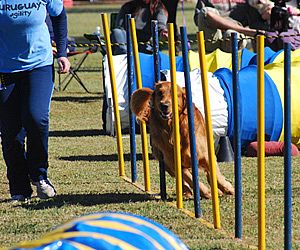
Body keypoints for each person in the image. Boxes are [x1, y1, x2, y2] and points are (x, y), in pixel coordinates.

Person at [0, 0, 70, 202]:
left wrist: (63, 53)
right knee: (11, 131)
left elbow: (59, 15)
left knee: (36, 117)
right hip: (5, 69)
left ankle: (40, 176)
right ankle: (19, 189)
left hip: (39, 64)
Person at [194, 0, 269, 52]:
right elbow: (199, 18)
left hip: (234, 35)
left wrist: (265, 8)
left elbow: (258, 18)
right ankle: (246, 32)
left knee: (231, 34)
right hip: (213, 34)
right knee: (206, 11)